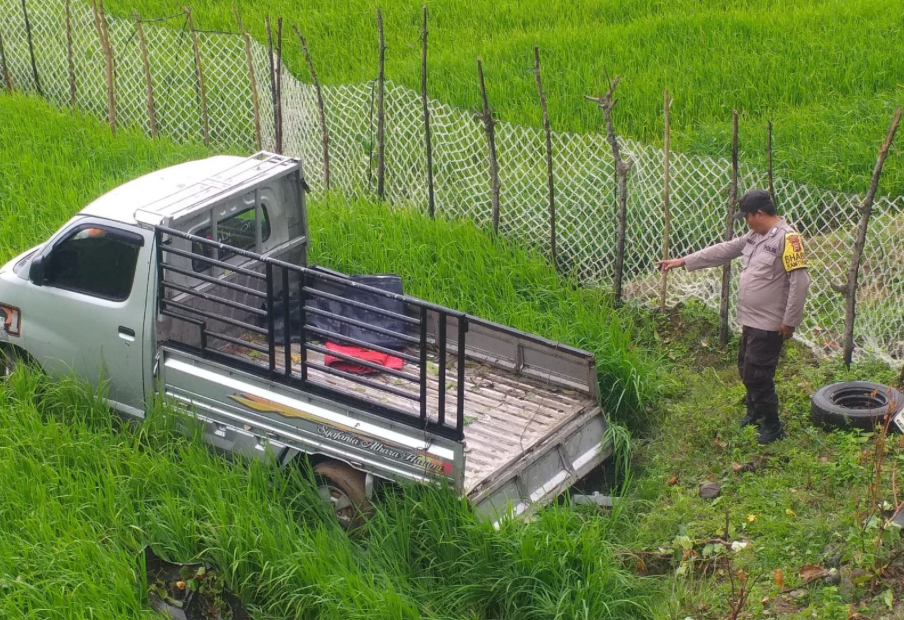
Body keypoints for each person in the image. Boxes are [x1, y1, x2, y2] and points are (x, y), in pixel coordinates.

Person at [657, 189, 810, 444]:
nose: (746, 222)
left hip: (770, 322)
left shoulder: (788, 239)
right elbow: (723, 250)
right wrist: (683, 261)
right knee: (745, 367)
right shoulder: (754, 236)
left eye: (747, 216)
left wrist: (789, 321)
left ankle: (773, 426)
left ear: (759, 214)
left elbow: (800, 282)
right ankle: (754, 413)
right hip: (751, 319)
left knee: (758, 373)